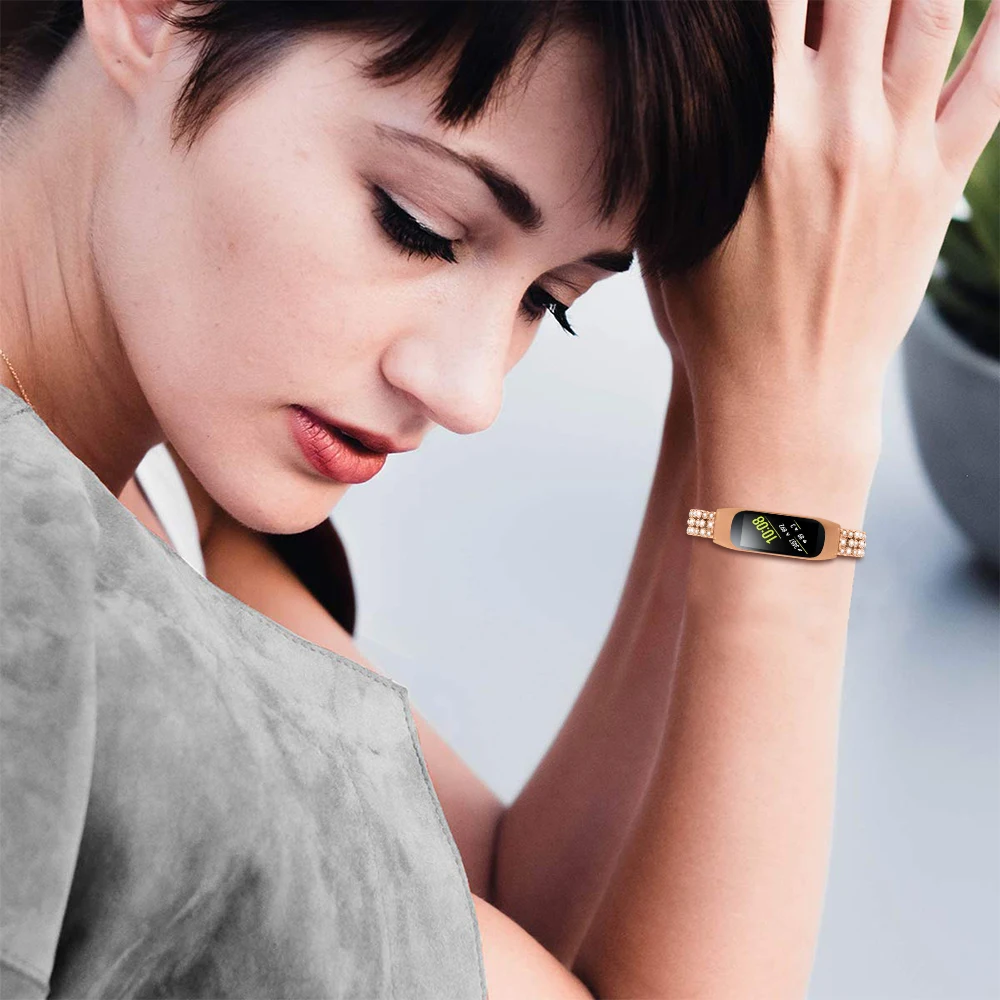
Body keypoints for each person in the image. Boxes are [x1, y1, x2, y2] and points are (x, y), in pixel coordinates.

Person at [1, 0, 996, 997]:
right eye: (417, 224)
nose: (471, 392)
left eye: (548, 303)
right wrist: (801, 454)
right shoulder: (44, 607)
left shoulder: (148, 455)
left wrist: (748, 366)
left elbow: (480, 901)